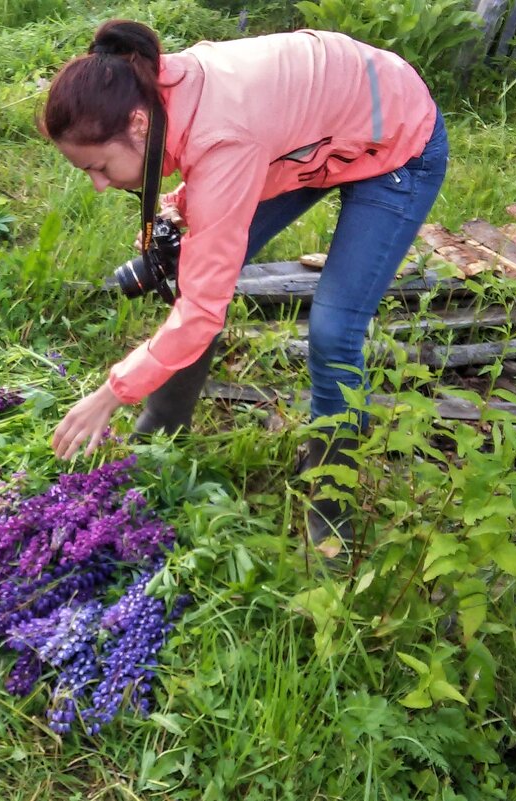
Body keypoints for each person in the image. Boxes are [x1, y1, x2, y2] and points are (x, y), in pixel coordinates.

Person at [42, 19, 449, 542]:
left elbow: (204, 299)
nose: (98, 186)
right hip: (306, 137)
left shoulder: (221, 135)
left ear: (138, 124)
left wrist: (110, 393)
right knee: (198, 273)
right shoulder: (146, 84)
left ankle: (332, 490)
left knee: (332, 329)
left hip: (394, 139)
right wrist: (180, 213)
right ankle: (161, 435)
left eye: (99, 167)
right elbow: (222, 167)